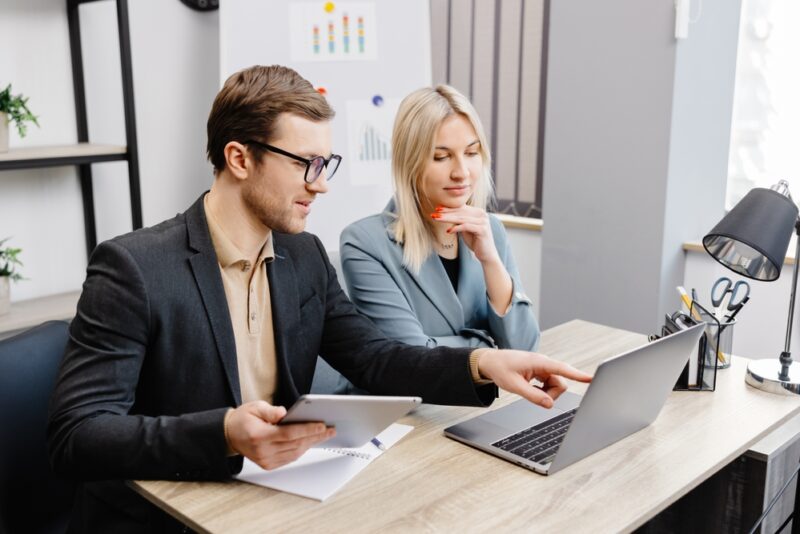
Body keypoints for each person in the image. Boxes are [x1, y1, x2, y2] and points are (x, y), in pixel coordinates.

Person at [47, 65, 590, 532]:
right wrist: (224, 433)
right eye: (306, 163)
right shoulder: (134, 267)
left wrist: (482, 363)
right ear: (239, 158)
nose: (321, 184)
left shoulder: (303, 256)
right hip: (164, 518)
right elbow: (78, 434)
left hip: (272, 503)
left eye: (326, 164)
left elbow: (376, 358)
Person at [337, 85, 539, 393]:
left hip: (472, 408)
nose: (462, 172)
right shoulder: (365, 243)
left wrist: (490, 260)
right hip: (403, 419)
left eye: (471, 153)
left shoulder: (490, 230)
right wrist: (489, 348)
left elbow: (525, 350)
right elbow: (413, 361)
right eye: (441, 157)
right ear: (410, 162)